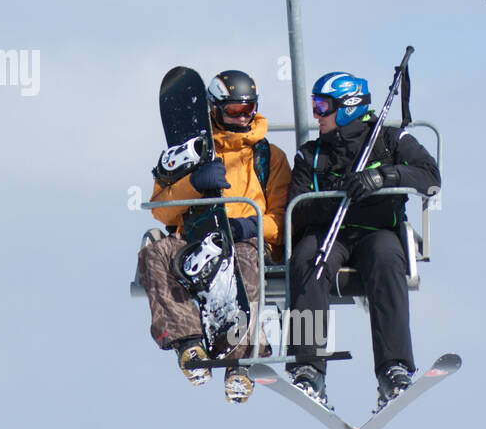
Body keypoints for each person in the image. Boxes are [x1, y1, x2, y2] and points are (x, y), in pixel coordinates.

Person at [284, 71, 441, 411]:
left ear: (348, 107)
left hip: (376, 232)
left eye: (323, 106)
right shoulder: (311, 155)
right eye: (314, 105)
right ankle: (308, 366)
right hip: (329, 232)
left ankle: (393, 368)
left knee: (387, 257)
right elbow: (295, 209)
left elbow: (430, 176)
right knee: (308, 259)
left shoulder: (388, 141)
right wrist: (337, 195)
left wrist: (384, 176)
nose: (317, 115)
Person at [137, 70, 291, 403]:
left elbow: (282, 220)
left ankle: (240, 356)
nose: (243, 117)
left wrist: (247, 225)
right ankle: (189, 342)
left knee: (243, 260)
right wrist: (194, 183)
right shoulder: (188, 155)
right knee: (156, 253)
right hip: (197, 235)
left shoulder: (270, 158)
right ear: (214, 109)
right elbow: (161, 211)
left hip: (246, 238)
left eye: (249, 109)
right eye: (234, 111)